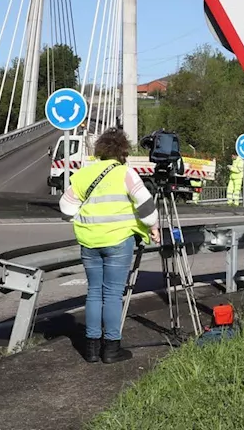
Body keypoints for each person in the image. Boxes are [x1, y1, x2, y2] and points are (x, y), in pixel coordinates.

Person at [60, 128, 161, 364]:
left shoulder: (84, 174)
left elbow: (65, 207)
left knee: (94, 292)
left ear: (100, 150)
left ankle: (92, 349)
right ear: (123, 151)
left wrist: (82, 218)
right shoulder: (126, 173)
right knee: (113, 295)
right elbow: (146, 207)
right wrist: (153, 227)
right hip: (118, 240)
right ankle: (111, 349)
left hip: (89, 240)